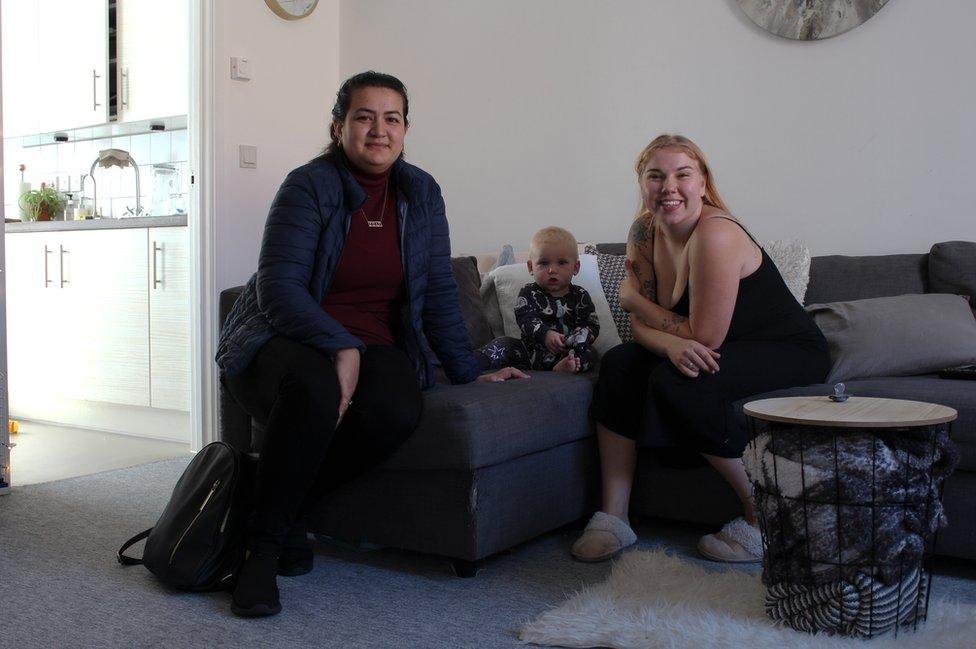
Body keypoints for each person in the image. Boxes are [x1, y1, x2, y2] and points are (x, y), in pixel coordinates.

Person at [216, 71, 526, 617]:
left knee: (396, 408)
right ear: (338, 127)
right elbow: (278, 289)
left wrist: (467, 368)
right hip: (277, 336)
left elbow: (434, 295)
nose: (378, 130)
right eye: (364, 117)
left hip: (373, 341)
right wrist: (341, 345)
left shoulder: (422, 192)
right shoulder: (308, 185)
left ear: (405, 130)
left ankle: (274, 510)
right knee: (313, 388)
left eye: (392, 119)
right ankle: (259, 553)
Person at [572, 134, 830, 563]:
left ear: (704, 183)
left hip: (784, 348)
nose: (668, 187)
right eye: (655, 176)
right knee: (619, 365)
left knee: (681, 380)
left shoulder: (716, 234)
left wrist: (636, 299)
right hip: (712, 343)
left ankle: (766, 516)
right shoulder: (643, 231)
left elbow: (703, 338)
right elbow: (638, 328)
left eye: (682, 174)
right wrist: (667, 339)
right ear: (642, 185)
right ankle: (614, 518)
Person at [476, 226, 600, 374]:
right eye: (544, 263)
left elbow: (592, 324)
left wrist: (582, 335)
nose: (552, 270)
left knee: (592, 353)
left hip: (567, 352)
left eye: (561, 262)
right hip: (529, 352)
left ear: (576, 267)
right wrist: (545, 334)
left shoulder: (580, 295)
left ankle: (565, 366)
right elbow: (525, 318)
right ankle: (473, 360)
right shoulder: (529, 292)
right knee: (505, 343)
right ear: (531, 267)